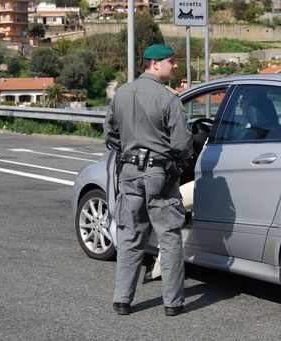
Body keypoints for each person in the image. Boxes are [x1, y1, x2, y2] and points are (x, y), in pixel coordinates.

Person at [104, 44, 193, 317]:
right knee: (169, 237)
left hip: (129, 173)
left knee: (130, 237)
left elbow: (111, 136)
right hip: (159, 175)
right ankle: (172, 303)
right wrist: (179, 162)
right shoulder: (167, 98)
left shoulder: (121, 95)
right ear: (154, 64)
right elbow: (182, 142)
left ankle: (122, 301)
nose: (175, 65)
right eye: (171, 61)